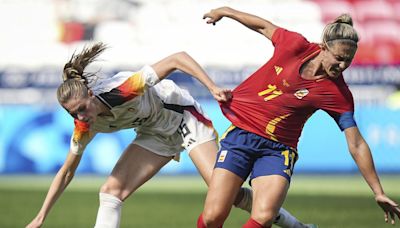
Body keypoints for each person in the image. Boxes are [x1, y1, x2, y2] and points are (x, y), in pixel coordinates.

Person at [26, 42, 309, 228]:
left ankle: (294, 225)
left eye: (82, 108)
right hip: (154, 132)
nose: (80, 117)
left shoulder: (123, 89)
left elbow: (177, 58)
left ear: (90, 94)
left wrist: (211, 87)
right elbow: (66, 172)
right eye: (72, 114)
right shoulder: (84, 126)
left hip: (183, 117)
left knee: (228, 195)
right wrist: (40, 216)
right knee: (110, 193)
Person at [197, 6, 400, 228]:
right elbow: (264, 26)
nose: (342, 66)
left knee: (263, 216)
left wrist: (378, 192)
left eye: (348, 61)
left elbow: (357, 144)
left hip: (278, 150)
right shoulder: (294, 45)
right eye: (339, 58)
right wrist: (226, 12)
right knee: (212, 217)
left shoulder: (338, 94)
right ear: (324, 47)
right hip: (242, 135)